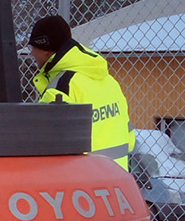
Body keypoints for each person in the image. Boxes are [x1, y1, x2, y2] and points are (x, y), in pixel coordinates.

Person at [27, 15, 135, 170]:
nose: (32, 54)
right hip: (117, 181)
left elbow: (44, 149)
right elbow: (129, 139)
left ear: (46, 49)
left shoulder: (61, 88)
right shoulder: (108, 81)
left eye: (33, 48)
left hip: (82, 184)